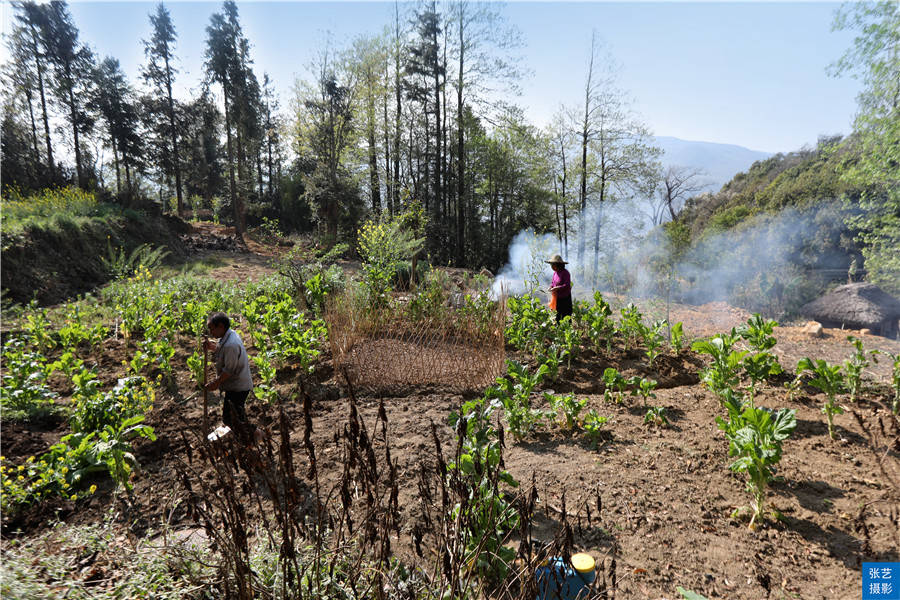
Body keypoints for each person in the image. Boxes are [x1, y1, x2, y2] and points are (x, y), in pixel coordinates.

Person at [204, 312, 253, 434]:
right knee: (234, 417)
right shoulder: (229, 335)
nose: (211, 333)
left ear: (220, 326)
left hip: (238, 387)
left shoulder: (231, 344)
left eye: (211, 329)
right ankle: (249, 438)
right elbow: (223, 352)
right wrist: (213, 347)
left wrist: (215, 383)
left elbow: (229, 370)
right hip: (235, 385)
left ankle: (256, 436)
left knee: (233, 419)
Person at [547, 254, 572, 323]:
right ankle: (559, 331)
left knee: (566, 316)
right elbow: (553, 283)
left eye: (553, 265)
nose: (551, 267)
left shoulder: (565, 273)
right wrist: (551, 287)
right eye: (551, 265)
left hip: (565, 298)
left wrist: (557, 288)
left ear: (558, 265)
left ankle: (567, 332)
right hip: (557, 298)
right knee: (557, 316)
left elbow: (567, 285)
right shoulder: (555, 273)